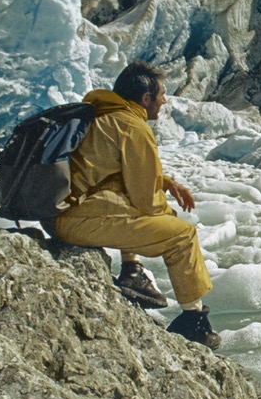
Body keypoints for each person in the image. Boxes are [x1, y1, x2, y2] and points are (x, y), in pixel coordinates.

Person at [51, 61, 221, 349]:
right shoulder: (132, 125)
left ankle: (132, 272)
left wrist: (165, 182)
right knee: (182, 235)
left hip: (60, 212)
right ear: (146, 99)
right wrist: (167, 215)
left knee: (136, 207)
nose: (164, 100)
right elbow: (144, 199)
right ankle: (194, 321)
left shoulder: (102, 115)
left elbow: (114, 174)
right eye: (161, 94)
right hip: (77, 219)